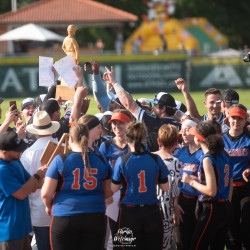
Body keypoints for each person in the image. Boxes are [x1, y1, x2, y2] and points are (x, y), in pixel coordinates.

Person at [41, 122, 112, 250]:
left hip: (65, 216)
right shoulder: (101, 160)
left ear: (71, 139)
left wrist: (48, 206)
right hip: (95, 216)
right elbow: (108, 192)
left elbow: (46, 193)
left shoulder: (60, 160)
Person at [111, 121, 169, 249]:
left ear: (127, 140)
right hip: (152, 212)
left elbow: (114, 188)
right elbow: (165, 187)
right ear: (144, 138)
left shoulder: (123, 160)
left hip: (129, 213)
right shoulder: (156, 159)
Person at [104, 66, 180, 152]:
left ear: (163, 109)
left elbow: (128, 104)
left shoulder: (153, 122)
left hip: (159, 164)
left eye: (155, 105)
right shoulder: (182, 126)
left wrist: (114, 82)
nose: (153, 107)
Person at [182, 123, 233, 250]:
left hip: (212, 208)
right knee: (217, 246)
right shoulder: (224, 154)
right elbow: (229, 181)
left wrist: (190, 181)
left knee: (197, 246)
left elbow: (211, 191)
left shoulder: (207, 158)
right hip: (224, 206)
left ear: (198, 139)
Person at [0, 131, 46, 249]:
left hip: (22, 227)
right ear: (4, 152)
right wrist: (37, 176)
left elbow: (29, 183)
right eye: (17, 149)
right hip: (9, 231)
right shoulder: (2, 170)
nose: (20, 151)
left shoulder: (15, 160)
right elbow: (21, 193)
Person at [20, 111, 60, 250]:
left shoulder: (28, 153)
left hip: (38, 211)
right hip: (62, 208)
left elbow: (24, 184)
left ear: (35, 131)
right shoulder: (64, 148)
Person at [222, 104, 250, 249]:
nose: (236, 121)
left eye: (240, 118)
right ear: (228, 118)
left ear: (246, 120)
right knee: (230, 230)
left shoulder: (248, 138)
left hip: (246, 188)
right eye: (233, 117)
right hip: (227, 190)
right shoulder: (220, 140)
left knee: (246, 226)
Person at [174, 119, 203, 250]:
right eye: (182, 130)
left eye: (187, 130)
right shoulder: (180, 153)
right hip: (181, 201)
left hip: (198, 202)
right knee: (181, 242)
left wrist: (198, 203)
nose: (184, 133)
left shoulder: (203, 154)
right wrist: (175, 203)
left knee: (196, 242)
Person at [154, 124, 180, 250]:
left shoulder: (150, 157)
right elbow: (174, 192)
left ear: (158, 141)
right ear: (176, 142)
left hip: (150, 207)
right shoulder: (174, 162)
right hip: (166, 210)